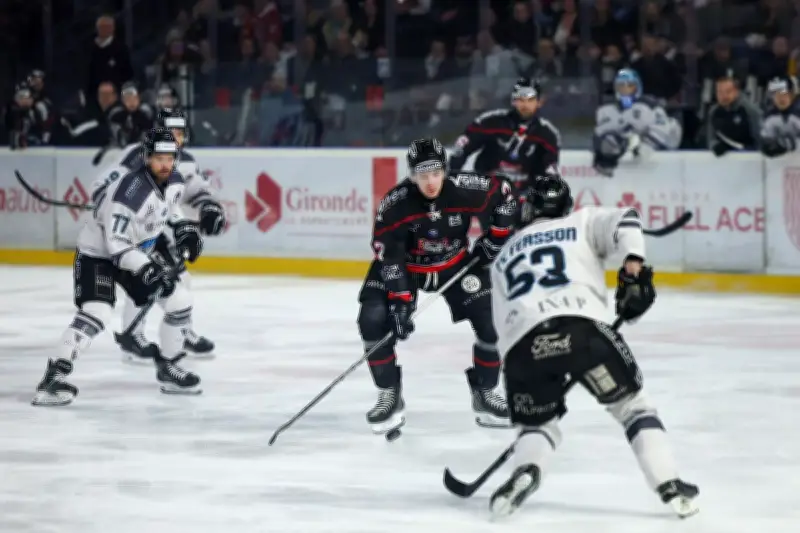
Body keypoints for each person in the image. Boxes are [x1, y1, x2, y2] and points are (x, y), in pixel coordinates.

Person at [486, 169, 699, 518]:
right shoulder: (581, 221)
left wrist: (535, 358)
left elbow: (501, 328)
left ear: (528, 210)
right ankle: (669, 484)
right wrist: (633, 267)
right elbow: (627, 220)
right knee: (633, 408)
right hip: (583, 333)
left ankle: (526, 470)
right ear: (566, 205)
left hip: (524, 349)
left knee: (537, 424)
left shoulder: (504, 254)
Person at [32, 128, 204, 406]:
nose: (165, 164)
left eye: (170, 157)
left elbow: (169, 207)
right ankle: (54, 377)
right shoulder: (129, 192)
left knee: (180, 300)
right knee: (97, 311)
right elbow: (117, 244)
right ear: (146, 157)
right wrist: (148, 269)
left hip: (135, 251)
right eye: (158, 158)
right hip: (99, 255)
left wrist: (183, 227)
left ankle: (169, 367)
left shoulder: (173, 179)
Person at [357, 138, 518, 435]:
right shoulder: (395, 204)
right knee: (373, 319)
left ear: (445, 170)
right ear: (411, 174)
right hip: (405, 267)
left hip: (454, 264)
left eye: (435, 173)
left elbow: (506, 194)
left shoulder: (466, 187)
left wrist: (495, 239)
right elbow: (386, 253)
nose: (430, 182)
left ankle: (485, 394)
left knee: (492, 320)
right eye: (422, 175)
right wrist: (400, 300)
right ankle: (389, 395)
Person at [93, 108, 226, 363]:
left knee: (181, 281)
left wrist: (209, 206)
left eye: (180, 132)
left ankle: (181, 332)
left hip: (157, 229)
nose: (176, 137)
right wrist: (108, 205)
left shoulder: (185, 161)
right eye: (171, 132)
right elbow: (102, 186)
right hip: (132, 231)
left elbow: (196, 190)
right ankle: (134, 338)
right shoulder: (137, 154)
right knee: (148, 278)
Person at [449, 77, 561, 194]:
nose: (525, 105)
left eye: (530, 100)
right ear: (513, 100)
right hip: (484, 191)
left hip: (523, 195)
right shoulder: (490, 122)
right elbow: (460, 151)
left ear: (539, 102)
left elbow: (550, 171)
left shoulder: (548, 134)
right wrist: (451, 180)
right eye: (521, 99)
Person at [593, 68, 683, 177]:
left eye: (629, 86)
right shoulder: (605, 111)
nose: (625, 89)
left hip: (653, 160)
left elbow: (666, 133)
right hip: (621, 163)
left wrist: (642, 142)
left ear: (637, 87)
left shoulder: (650, 106)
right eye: (621, 86)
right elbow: (600, 136)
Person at [706, 75, 762, 157]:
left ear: (736, 91)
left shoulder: (749, 110)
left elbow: (760, 136)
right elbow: (711, 138)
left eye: (728, 92)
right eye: (720, 92)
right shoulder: (714, 111)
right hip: (724, 160)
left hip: (749, 157)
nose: (724, 96)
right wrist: (715, 146)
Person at [760, 75, 800, 158]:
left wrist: (790, 143)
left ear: (792, 95)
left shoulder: (797, 116)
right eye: (777, 95)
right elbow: (764, 142)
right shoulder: (768, 118)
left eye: (785, 94)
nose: (781, 99)